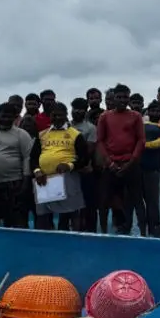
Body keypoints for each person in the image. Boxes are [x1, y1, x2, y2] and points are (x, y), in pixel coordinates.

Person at [96, 84, 146, 235]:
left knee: (138, 201)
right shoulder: (104, 116)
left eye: (125, 97)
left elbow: (141, 140)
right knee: (104, 201)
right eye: (119, 97)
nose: (122, 100)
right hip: (111, 165)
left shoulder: (136, 116)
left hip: (130, 165)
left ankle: (144, 234)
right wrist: (109, 162)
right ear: (113, 98)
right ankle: (103, 233)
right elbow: (100, 141)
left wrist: (132, 161)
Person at [30, 102, 88, 230]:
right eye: (53, 115)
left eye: (60, 115)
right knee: (43, 214)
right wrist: (37, 171)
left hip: (67, 177)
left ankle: (74, 240)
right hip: (43, 178)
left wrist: (69, 165)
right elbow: (33, 157)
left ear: (66, 115)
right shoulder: (42, 134)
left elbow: (85, 158)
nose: (56, 118)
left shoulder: (75, 134)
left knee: (71, 211)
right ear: (49, 116)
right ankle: (44, 240)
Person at [0, 102, 34, 228]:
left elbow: (27, 158)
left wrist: (25, 182)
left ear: (15, 117)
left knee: (15, 222)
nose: (6, 119)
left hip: (13, 183)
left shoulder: (22, 134)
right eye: (3, 116)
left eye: (10, 116)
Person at [69, 97, 100, 232]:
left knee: (89, 203)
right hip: (69, 171)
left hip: (85, 170)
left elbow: (90, 149)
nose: (77, 112)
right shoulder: (67, 126)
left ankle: (91, 230)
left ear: (85, 111)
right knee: (71, 203)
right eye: (75, 109)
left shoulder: (91, 128)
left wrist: (80, 164)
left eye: (81, 109)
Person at [138, 101, 160, 237]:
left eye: (158, 111)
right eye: (153, 110)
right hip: (137, 169)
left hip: (152, 170)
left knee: (152, 202)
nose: (155, 113)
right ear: (148, 112)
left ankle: (153, 228)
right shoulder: (140, 126)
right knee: (139, 202)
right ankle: (143, 230)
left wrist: (143, 145)